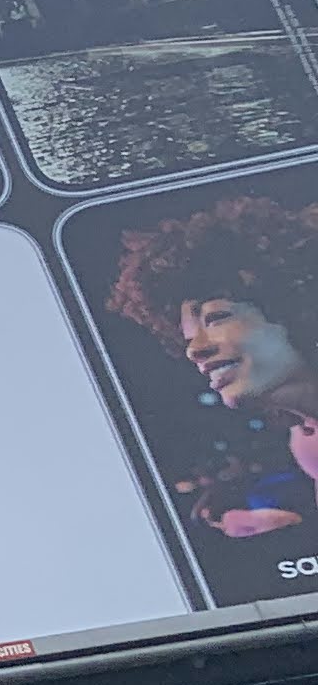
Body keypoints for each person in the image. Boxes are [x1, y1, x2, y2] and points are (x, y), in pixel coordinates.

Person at [107, 192, 318, 536]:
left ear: (295, 308)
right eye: (187, 341)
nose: (194, 351)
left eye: (216, 319)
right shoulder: (306, 443)